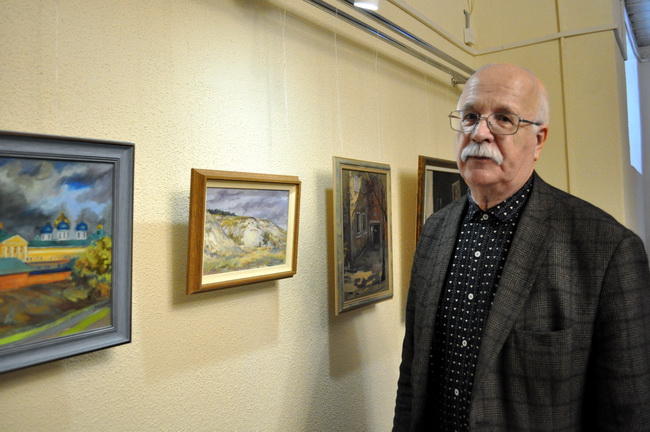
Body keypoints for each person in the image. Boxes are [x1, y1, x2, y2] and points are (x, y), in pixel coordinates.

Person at [393, 63, 650, 431]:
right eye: (470, 116)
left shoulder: (608, 249)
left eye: (504, 119)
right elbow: (412, 371)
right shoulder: (434, 230)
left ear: (539, 140)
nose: (480, 132)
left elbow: (628, 412)